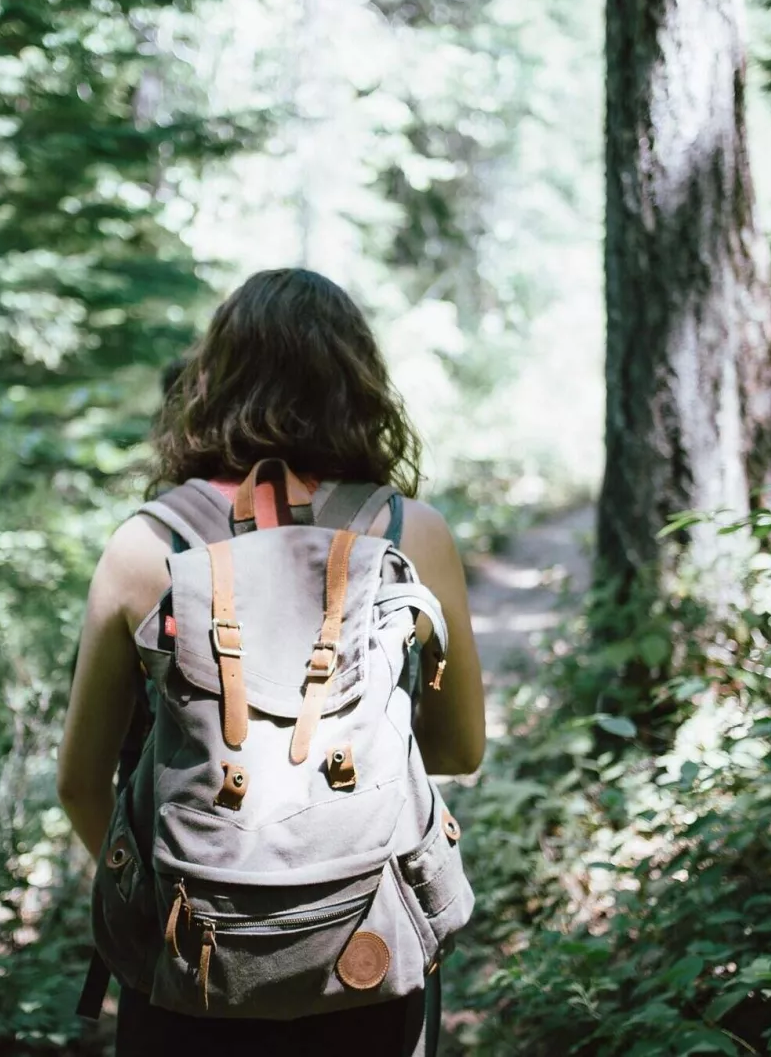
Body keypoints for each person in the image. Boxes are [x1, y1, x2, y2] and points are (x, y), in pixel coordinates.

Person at [58, 268, 486, 1056]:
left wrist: (180, 892)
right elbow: (459, 750)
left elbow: (81, 783)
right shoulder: (409, 534)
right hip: (368, 954)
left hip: (190, 966)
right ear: (358, 386)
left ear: (212, 382)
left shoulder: (145, 546)